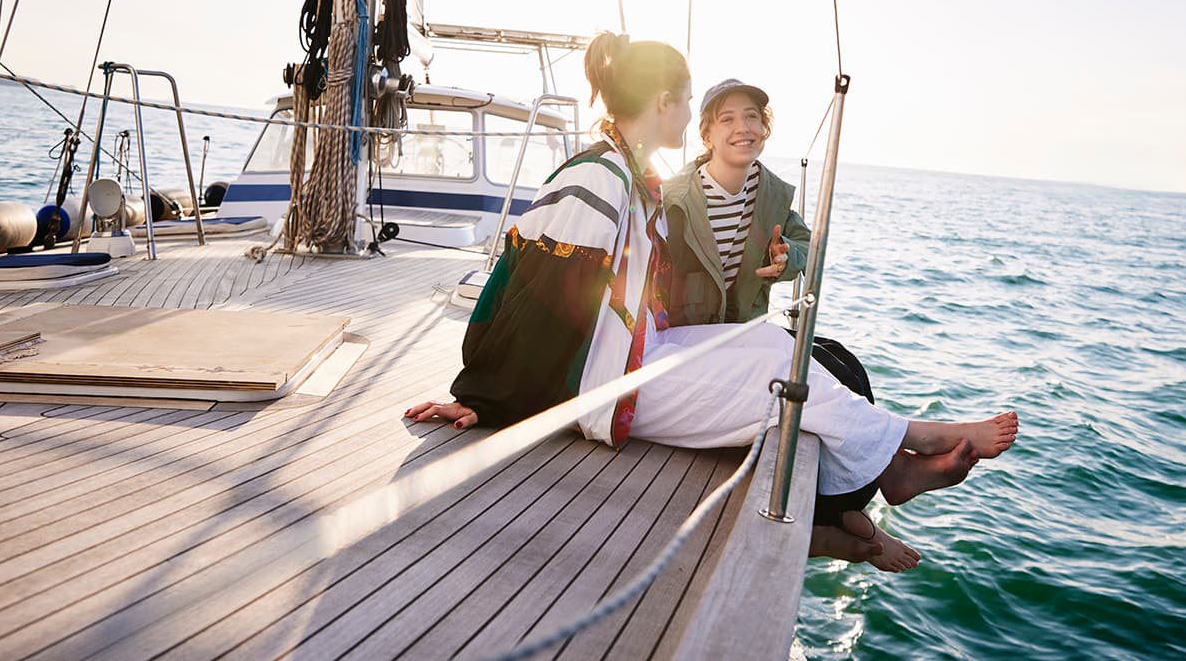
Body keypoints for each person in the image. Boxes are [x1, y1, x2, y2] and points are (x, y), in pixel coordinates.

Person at [404, 34, 1019, 562]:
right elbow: (532, 293)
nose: (696, 116)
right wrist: (482, 399)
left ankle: (887, 468)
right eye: (691, 100)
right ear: (666, 102)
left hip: (635, 353)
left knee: (766, 340)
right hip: (602, 383)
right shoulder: (599, 178)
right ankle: (900, 455)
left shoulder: (628, 177)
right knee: (779, 378)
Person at [663, 78, 920, 570]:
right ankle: (852, 512)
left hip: (746, 334)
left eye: (754, 117)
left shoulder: (772, 196)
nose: (744, 127)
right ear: (708, 136)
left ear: (765, 129)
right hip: (696, 340)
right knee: (809, 379)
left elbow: (806, 246)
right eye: (729, 119)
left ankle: (860, 501)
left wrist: (788, 259)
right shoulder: (675, 198)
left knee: (843, 363)